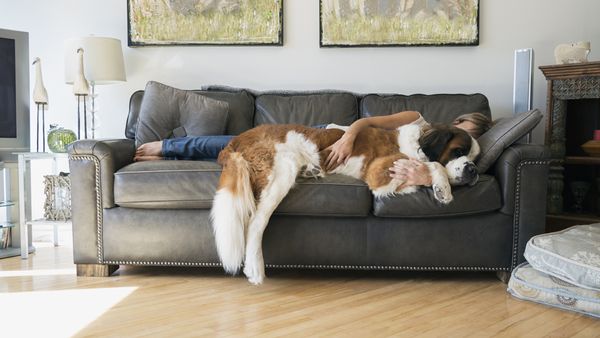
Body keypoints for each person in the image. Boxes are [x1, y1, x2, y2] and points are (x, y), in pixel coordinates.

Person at [134, 111, 492, 186]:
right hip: (333, 135)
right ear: (455, 123)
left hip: (354, 152)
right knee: (241, 141)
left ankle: (169, 147)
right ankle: (169, 146)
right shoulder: (417, 119)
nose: (463, 134)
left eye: (471, 133)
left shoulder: (440, 157)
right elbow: (367, 122)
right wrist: (348, 138)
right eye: (463, 127)